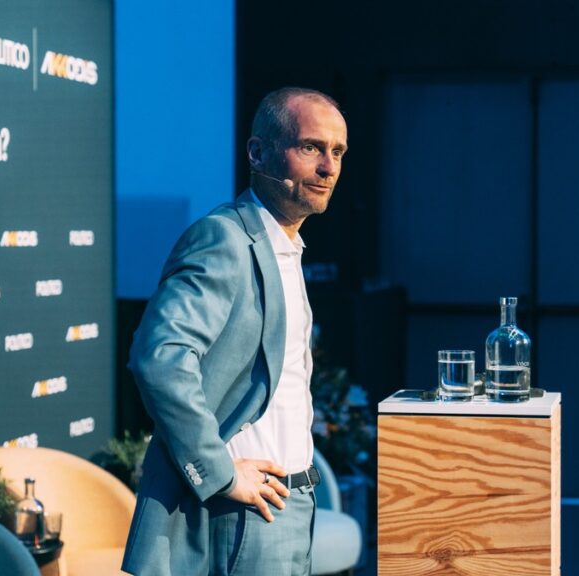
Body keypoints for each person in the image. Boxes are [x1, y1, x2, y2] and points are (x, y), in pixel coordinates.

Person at [121, 87, 349, 576]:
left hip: (291, 503)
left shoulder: (285, 247)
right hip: (242, 515)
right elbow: (160, 358)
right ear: (258, 152)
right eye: (311, 147)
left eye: (338, 152)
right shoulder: (225, 238)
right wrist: (221, 475)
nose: (328, 167)